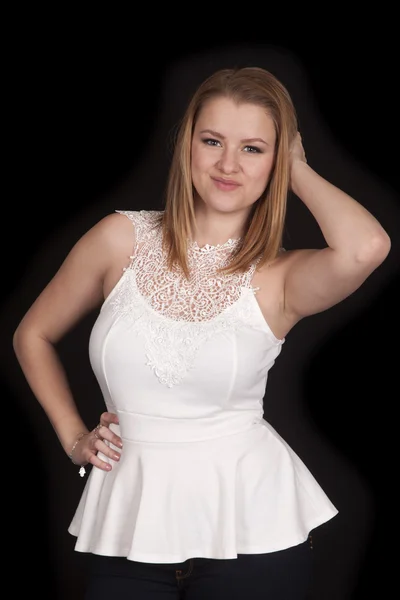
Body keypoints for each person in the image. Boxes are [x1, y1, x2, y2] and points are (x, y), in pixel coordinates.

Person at [12, 66, 391, 600]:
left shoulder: (280, 278)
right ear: (187, 144)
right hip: (128, 525)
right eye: (212, 140)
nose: (228, 164)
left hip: (253, 532)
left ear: (276, 161)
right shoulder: (119, 238)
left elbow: (365, 248)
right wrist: (74, 437)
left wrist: (295, 166)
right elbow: (33, 334)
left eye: (254, 149)